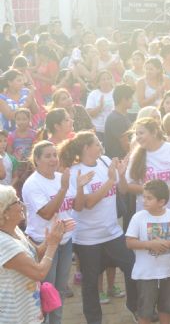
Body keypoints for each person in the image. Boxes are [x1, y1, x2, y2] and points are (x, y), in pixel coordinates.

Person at [60, 132, 137, 324]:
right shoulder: (77, 171)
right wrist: (110, 181)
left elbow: (124, 190)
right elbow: (88, 203)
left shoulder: (104, 161)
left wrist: (120, 174)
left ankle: (134, 306)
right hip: (87, 239)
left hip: (112, 232)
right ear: (86, 148)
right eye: (96, 143)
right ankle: (94, 320)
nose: (100, 145)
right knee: (90, 283)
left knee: (132, 266)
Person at [21, 140, 77, 324]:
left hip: (65, 241)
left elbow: (75, 206)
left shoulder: (62, 177)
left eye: (55, 155)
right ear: (36, 160)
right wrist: (63, 188)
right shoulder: (33, 184)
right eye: (47, 156)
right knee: (45, 291)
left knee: (59, 290)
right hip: (42, 243)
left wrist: (80, 186)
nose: (53, 159)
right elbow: (46, 213)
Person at [0, 184, 72, 324]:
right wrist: (53, 244)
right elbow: (39, 273)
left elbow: (36, 254)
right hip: (15, 316)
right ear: (4, 212)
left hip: (29, 312)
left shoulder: (15, 230)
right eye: (16, 201)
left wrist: (50, 238)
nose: (22, 204)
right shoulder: (3, 243)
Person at [125, 179, 170, 324]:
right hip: (146, 273)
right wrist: (149, 244)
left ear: (161, 201)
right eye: (143, 196)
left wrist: (168, 244)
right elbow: (129, 242)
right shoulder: (138, 218)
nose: (143, 201)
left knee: (166, 308)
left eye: (149, 198)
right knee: (145, 311)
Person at [119, 118, 170, 221]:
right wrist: (152, 191)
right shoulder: (136, 156)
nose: (138, 137)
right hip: (147, 217)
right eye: (136, 134)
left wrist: (169, 188)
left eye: (141, 133)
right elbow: (128, 186)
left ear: (154, 132)